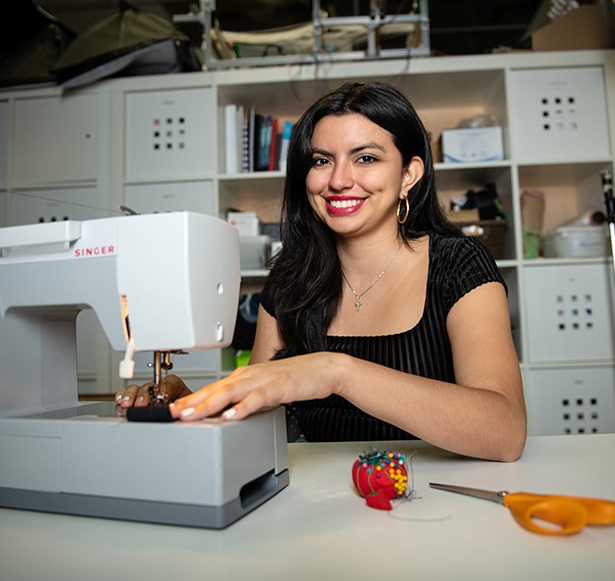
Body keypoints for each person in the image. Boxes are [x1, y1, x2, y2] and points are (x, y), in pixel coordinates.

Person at [116, 81, 526, 462]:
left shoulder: (459, 265)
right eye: (321, 160)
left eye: (365, 158)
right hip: (324, 506)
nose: (338, 180)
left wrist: (335, 371)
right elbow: (264, 413)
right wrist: (193, 405)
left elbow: (505, 432)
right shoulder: (290, 280)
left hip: (436, 503)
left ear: (408, 175)